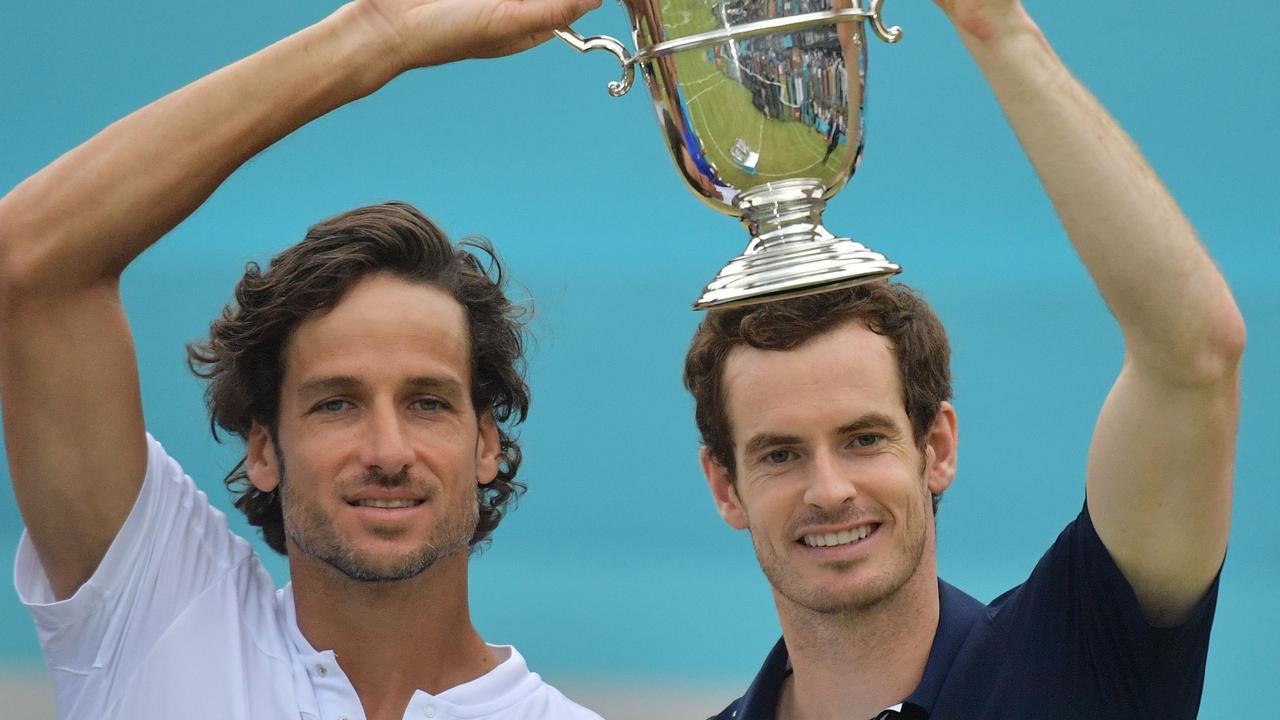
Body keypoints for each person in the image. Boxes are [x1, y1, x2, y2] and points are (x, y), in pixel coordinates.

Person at [0, 1, 605, 719]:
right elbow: (30, 265)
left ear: (486, 445)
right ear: (263, 447)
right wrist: (378, 34)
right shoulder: (158, 620)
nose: (388, 451)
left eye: (428, 402)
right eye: (337, 403)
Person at [682, 2, 1244, 719]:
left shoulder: (1076, 656)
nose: (829, 490)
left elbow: (1194, 353)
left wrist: (995, 27)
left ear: (937, 446)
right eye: (781, 455)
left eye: (863, 439)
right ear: (725, 486)